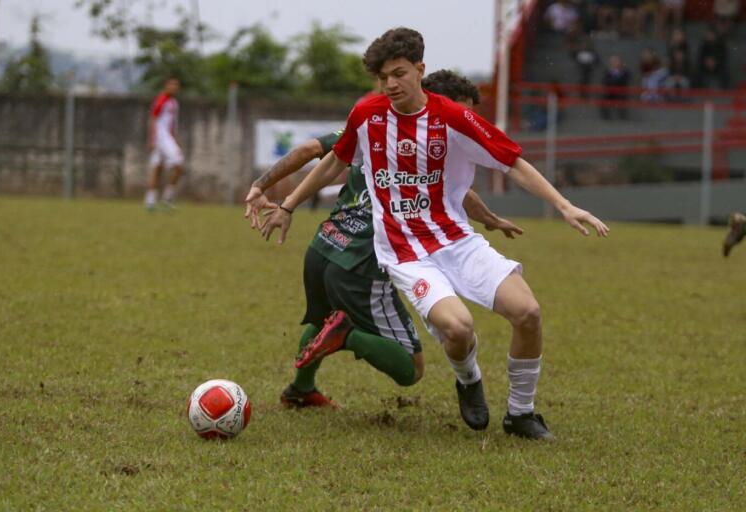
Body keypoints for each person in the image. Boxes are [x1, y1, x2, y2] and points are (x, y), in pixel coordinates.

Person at [261, 28, 609, 440]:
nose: (391, 84)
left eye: (399, 73)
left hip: (457, 241)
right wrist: (288, 206)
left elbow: (512, 161)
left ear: (420, 70)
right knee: (459, 329)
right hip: (405, 254)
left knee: (528, 313)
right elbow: (335, 162)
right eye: (383, 77)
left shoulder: (453, 117)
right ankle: (469, 379)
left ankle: (521, 414)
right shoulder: (368, 115)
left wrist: (564, 205)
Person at [247, 70, 524, 409]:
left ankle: (300, 390)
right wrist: (489, 219)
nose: (466, 123)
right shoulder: (424, 137)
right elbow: (456, 192)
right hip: (365, 258)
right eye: (461, 113)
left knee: (323, 320)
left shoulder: (373, 126)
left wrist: (262, 186)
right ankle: (346, 336)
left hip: (326, 244)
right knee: (411, 368)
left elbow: (310, 148)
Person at [145, 78, 184, 211]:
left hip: (168, 138)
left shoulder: (174, 103)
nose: (174, 88)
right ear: (166, 86)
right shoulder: (161, 100)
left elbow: (172, 123)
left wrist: (176, 138)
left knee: (158, 168)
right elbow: (153, 119)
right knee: (178, 165)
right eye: (172, 85)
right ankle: (166, 198)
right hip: (161, 139)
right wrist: (152, 139)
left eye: (176, 85)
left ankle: (151, 201)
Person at [601, 55, 631, 119]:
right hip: (610, 92)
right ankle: (606, 118)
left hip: (621, 92)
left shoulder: (625, 72)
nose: (615, 63)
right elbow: (605, 82)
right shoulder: (607, 72)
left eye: (616, 61)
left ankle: (622, 117)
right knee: (603, 98)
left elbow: (625, 81)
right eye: (613, 62)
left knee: (622, 98)